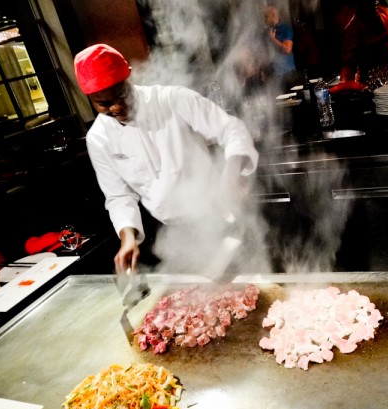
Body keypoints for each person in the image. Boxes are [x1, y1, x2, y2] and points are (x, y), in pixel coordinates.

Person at [73, 43, 259, 275]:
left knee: (244, 287)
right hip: (173, 234)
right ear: (89, 99)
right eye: (105, 103)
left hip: (218, 216)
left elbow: (232, 130)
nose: (117, 106)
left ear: (129, 76)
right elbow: (119, 196)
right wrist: (127, 238)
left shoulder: (173, 99)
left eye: (121, 95)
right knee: (198, 301)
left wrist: (230, 177)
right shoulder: (98, 139)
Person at [333, 0, 388, 87]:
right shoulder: (353, 29)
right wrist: (348, 85)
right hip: (371, 84)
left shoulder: (384, 14)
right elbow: (348, 66)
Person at [262, 4, 298, 91]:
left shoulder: (285, 28)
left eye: (266, 17)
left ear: (273, 15)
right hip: (273, 75)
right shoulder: (266, 32)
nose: (264, 20)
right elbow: (265, 54)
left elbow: (287, 49)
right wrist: (264, 72)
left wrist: (273, 39)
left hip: (287, 73)